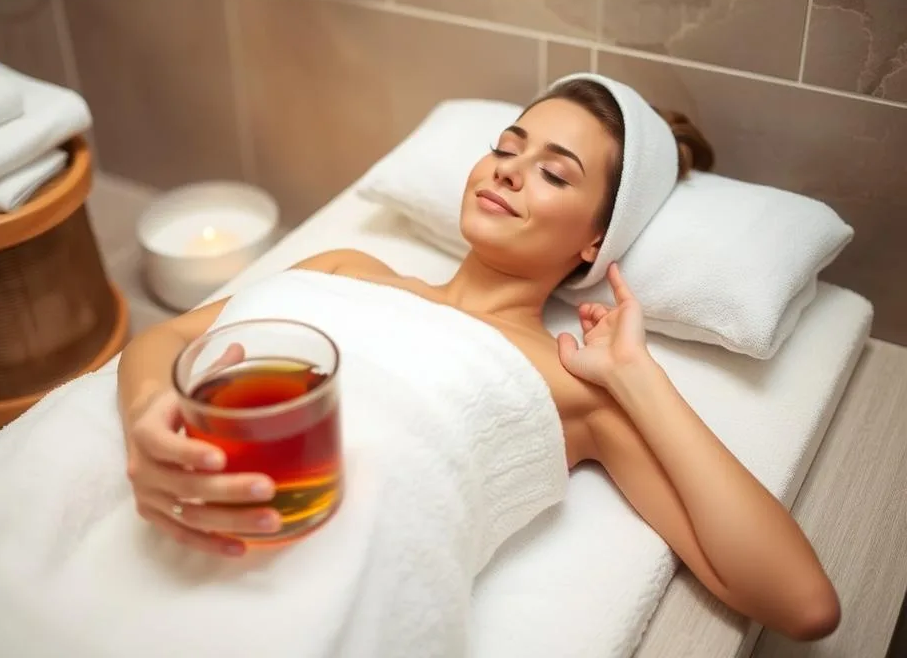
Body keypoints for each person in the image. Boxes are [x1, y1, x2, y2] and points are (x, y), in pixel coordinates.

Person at [116, 76, 841, 642]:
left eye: (555, 175)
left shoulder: (569, 379)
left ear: (596, 242)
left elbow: (802, 604)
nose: (509, 172)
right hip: (136, 513)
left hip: (291, 603)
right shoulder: (345, 266)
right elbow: (168, 341)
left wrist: (640, 379)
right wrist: (152, 421)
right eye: (505, 148)